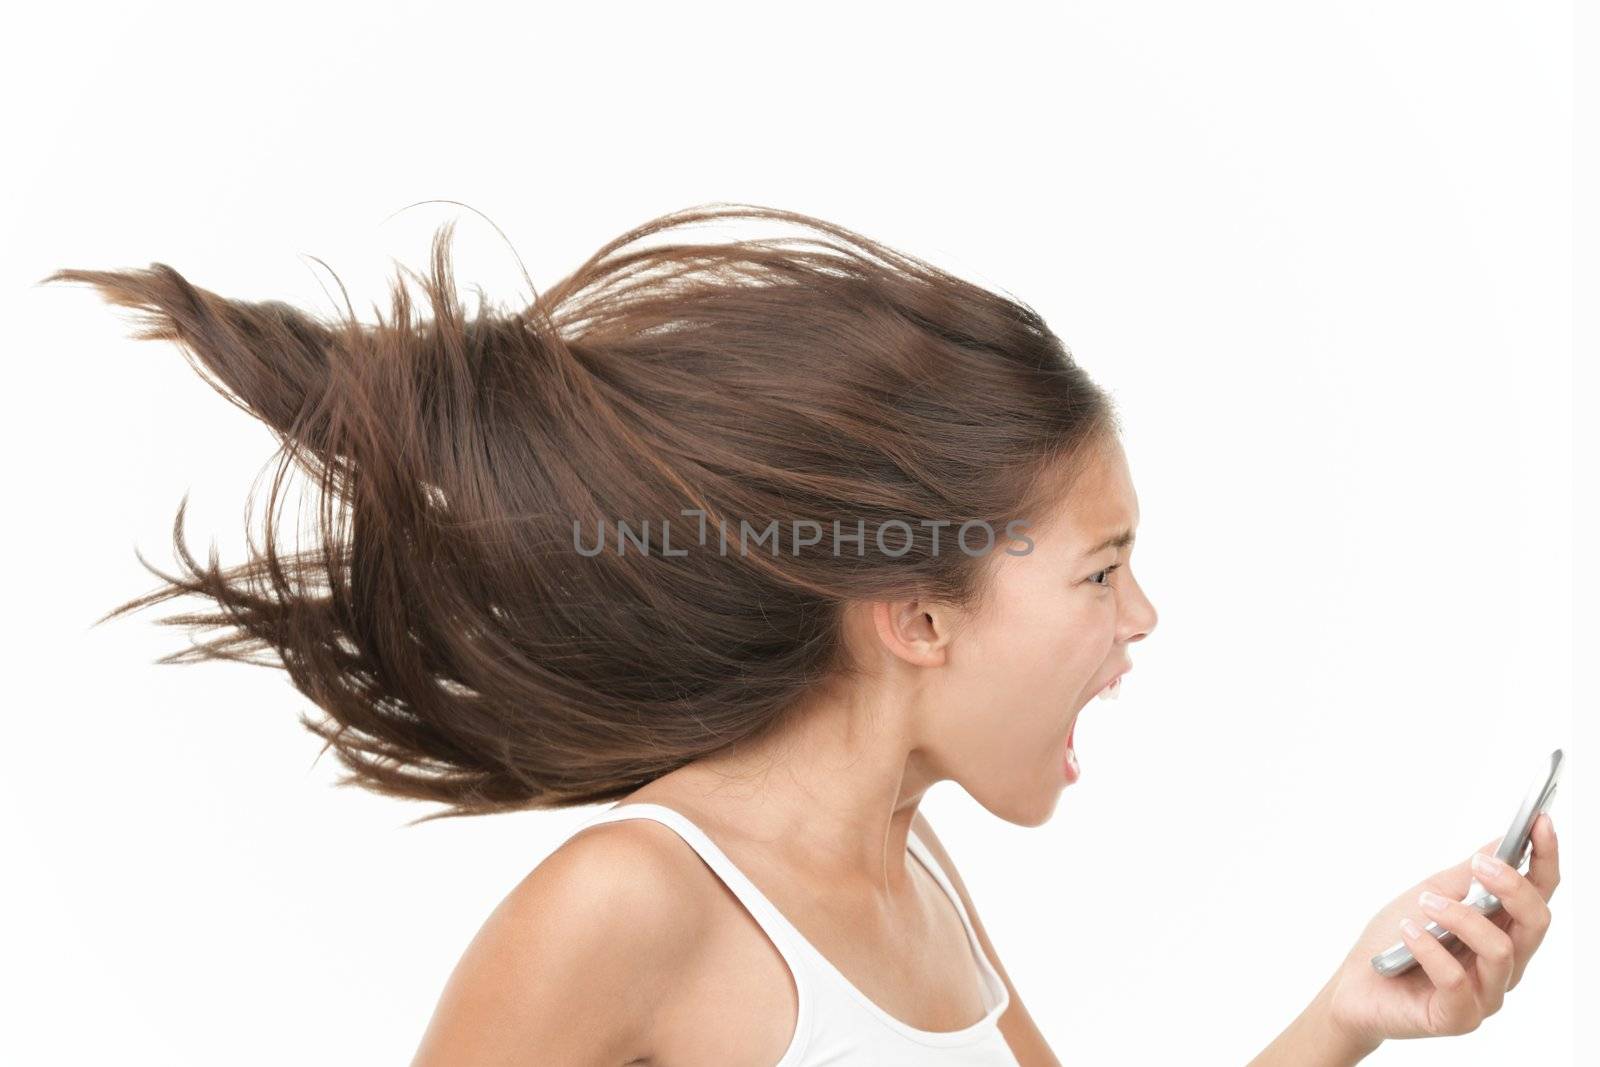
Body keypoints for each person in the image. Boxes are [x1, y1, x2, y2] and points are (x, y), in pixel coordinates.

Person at [46, 203, 1560, 1065]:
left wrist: (1350, 1018)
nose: (1142, 618)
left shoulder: (916, 870)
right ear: (915, 615)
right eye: (1102, 572)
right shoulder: (627, 904)